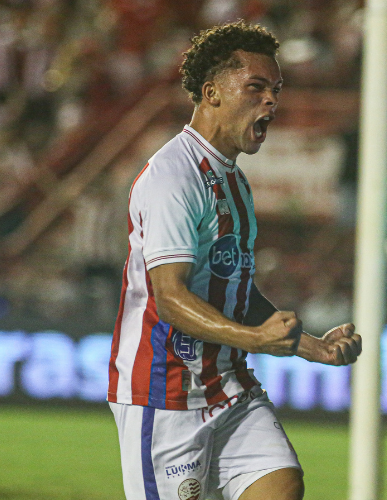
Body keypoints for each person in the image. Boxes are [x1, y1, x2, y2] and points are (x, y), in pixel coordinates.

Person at [107, 21, 362, 500]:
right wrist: (255, 340)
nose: (272, 101)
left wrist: (312, 347)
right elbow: (170, 298)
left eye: (276, 90)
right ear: (212, 93)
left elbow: (237, 290)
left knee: (283, 487)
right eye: (257, 87)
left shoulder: (235, 183)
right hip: (166, 394)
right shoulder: (172, 178)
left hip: (228, 386)